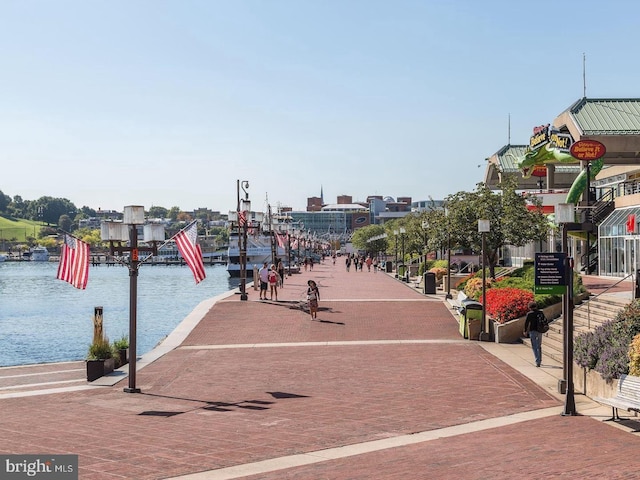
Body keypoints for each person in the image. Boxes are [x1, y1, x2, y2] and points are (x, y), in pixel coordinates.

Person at [523, 301, 545, 367]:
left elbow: (526, 323)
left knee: (534, 346)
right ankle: (540, 360)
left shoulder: (529, 314)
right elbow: (544, 320)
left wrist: (525, 331)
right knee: (539, 346)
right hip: (540, 331)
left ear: (530, 308)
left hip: (532, 331)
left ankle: (537, 361)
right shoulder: (540, 313)